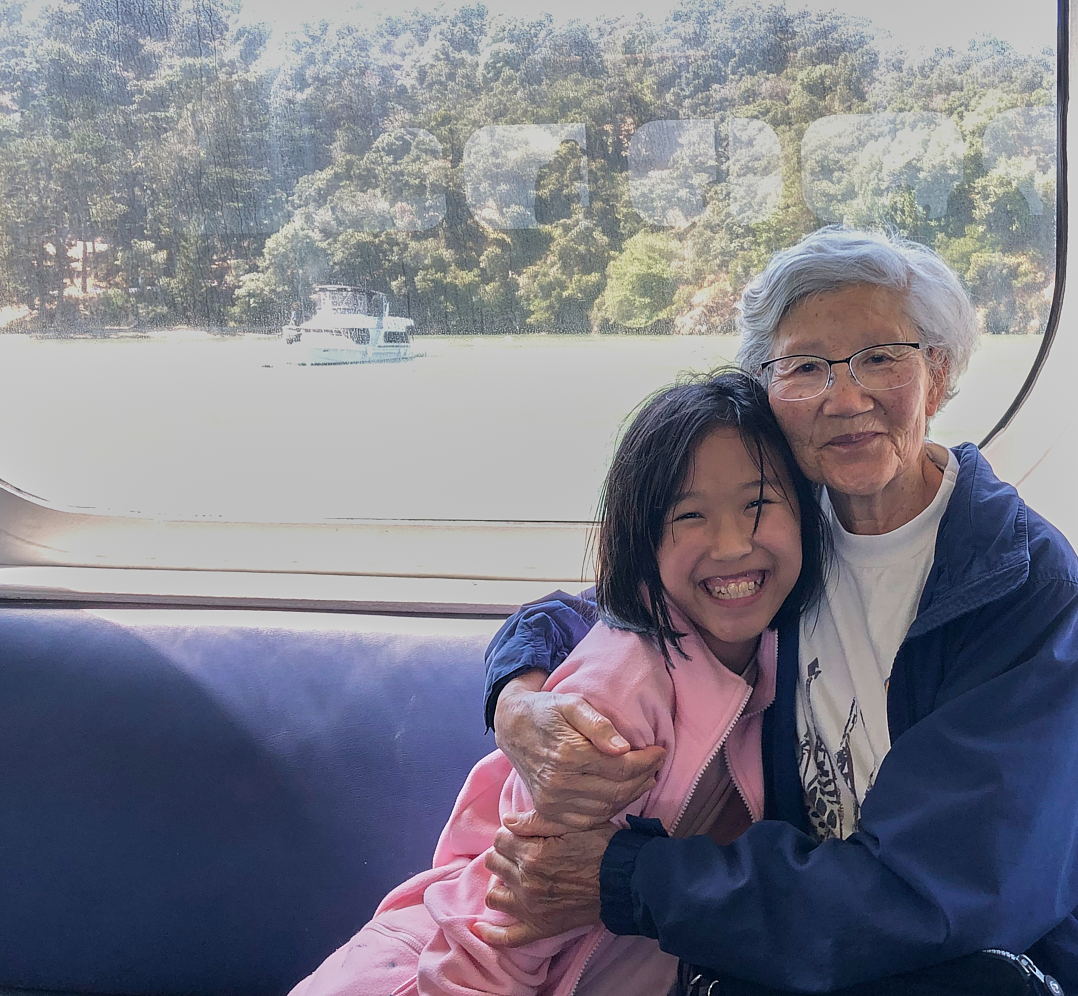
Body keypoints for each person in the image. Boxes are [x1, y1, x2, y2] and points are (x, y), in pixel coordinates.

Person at [478, 228, 1078, 996]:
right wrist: (516, 700)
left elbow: (932, 896)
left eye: (882, 357)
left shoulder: (1014, 577)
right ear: (769, 391)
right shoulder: (776, 537)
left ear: (937, 374)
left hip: (1028, 959)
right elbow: (604, 606)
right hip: (836, 954)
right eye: (806, 367)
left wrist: (630, 877)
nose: (845, 397)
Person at [288, 371, 826, 996]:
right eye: (689, 514)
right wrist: (516, 699)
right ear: (642, 541)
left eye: (757, 504)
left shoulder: (787, 646)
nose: (732, 544)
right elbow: (501, 925)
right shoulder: (613, 703)